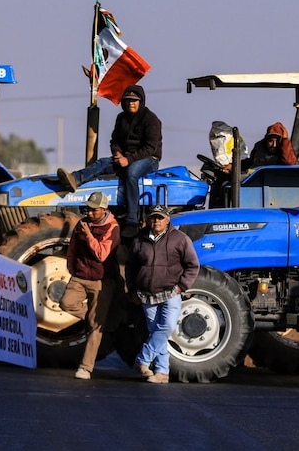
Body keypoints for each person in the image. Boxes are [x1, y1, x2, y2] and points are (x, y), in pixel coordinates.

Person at [56, 84, 161, 232]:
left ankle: (132, 220)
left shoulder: (151, 120)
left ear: (141, 101)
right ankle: (74, 179)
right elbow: (115, 141)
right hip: (125, 157)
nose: (131, 103)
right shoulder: (121, 118)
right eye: (128, 100)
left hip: (148, 158)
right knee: (103, 163)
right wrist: (118, 154)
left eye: (135, 100)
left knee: (131, 174)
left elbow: (151, 147)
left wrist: (128, 160)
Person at [125, 205, 200, 384]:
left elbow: (193, 265)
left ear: (167, 219)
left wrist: (181, 287)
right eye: (153, 217)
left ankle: (142, 360)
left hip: (171, 293)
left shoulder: (180, 239)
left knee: (166, 327)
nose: (156, 221)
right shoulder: (139, 240)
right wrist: (132, 290)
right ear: (148, 219)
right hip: (147, 295)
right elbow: (130, 267)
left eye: (160, 217)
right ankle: (162, 372)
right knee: (155, 332)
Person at [58, 191, 121, 380]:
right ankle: (99, 320)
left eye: (94, 210)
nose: (90, 213)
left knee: (95, 328)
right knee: (66, 303)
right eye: (89, 209)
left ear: (104, 209)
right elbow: (73, 248)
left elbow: (102, 254)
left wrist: (88, 236)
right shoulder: (82, 224)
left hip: (101, 281)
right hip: (80, 276)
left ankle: (85, 367)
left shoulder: (113, 228)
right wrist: (72, 268)